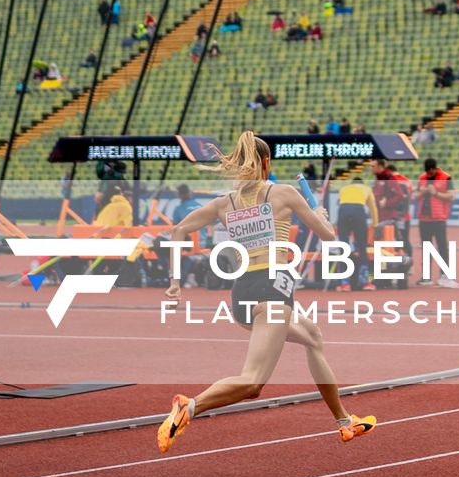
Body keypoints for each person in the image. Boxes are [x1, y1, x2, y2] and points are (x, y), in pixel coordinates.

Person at [152, 132, 375, 452]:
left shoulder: (222, 204)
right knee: (253, 382)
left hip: (243, 293)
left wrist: (175, 282)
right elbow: (329, 237)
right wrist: (324, 218)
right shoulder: (283, 193)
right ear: (266, 163)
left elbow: (179, 231)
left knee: (312, 336)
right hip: (272, 287)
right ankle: (188, 407)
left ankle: (344, 421)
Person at [335, 168, 378, 288]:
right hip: (358, 211)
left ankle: (344, 283)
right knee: (362, 246)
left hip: (343, 211)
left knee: (343, 247)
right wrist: (375, 224)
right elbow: (373, 207)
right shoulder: (367, 188)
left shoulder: (344, 189)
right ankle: (366, 282)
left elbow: (339, 202)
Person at [374, 159, 414, 283]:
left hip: (391, 216)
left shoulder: (387, 180)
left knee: (389, 244)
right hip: (403, 217)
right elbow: (408, 198)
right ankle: (407, 265)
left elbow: (398, 197)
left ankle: (390, 273)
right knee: (403, 241)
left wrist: (386, 205)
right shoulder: (406, 181)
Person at [416, 157, 454, 284]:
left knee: (442, 247)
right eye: (427, 173)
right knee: (426, 248)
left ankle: (445, 275)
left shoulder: (446, 178)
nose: (428, 175)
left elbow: (451, 195)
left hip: (438, 218)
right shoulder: (422, 178)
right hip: (424, 218)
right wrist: (421, 193)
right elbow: (415, 196)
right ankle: (426, 277)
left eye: (430, 173)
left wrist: (435, 193)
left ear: (434, 169)